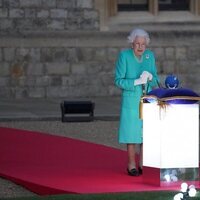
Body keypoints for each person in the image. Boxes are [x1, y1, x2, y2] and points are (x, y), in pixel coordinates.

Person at [115, 28, 159, 176]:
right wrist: (136, 81)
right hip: (131, 101)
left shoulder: (149, 56)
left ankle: (143, 164)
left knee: (145, 134)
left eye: (143, 44)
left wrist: (151, 79)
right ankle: (131, 164)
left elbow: (157, 79)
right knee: (132, 134)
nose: (140, 47)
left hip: (147, 100)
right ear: (132, 43)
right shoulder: (124, 56)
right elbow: (118, 80)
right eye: (137, 44)